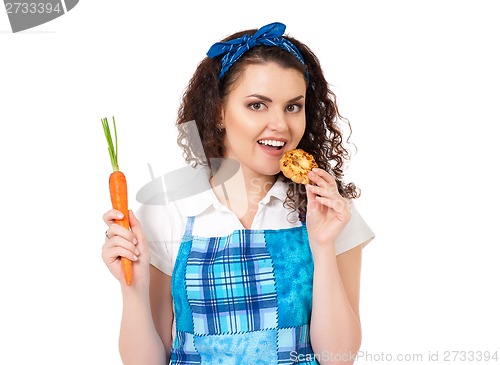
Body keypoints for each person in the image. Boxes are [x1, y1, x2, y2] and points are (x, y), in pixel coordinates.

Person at [102, 22, 375, 365]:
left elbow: (339, 358)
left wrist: (322, 246)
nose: (281, 124)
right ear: (218, 112)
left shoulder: (330, 209)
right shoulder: (169, 209)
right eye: (258, 105)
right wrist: (133, 289)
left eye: (293, 106)